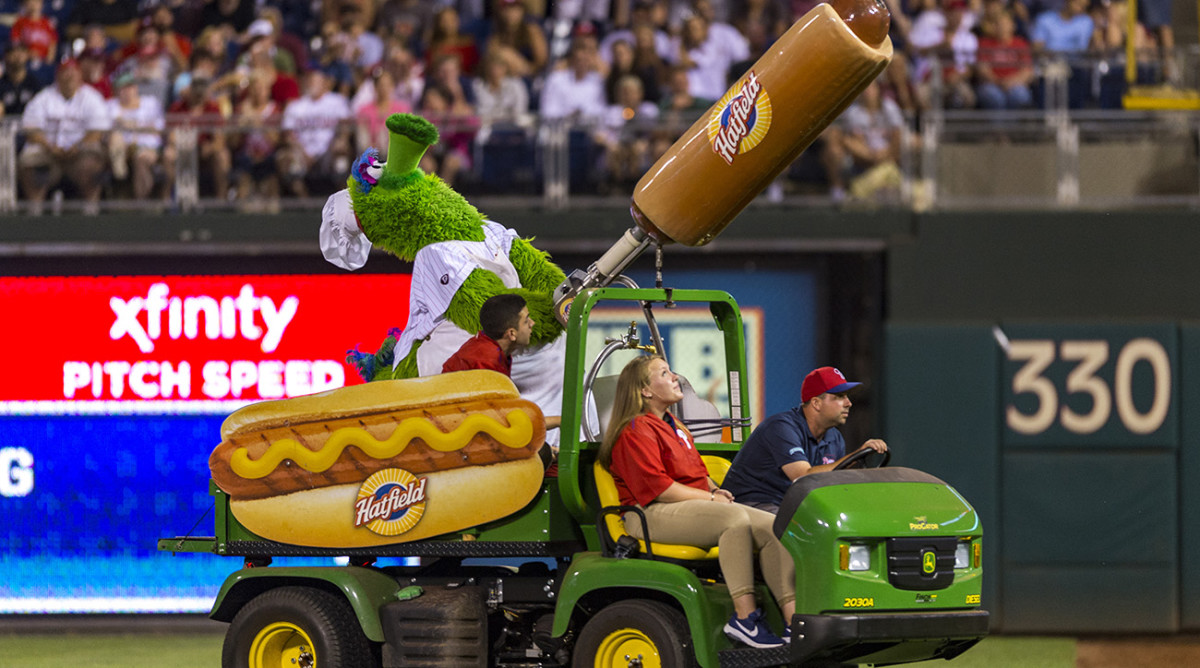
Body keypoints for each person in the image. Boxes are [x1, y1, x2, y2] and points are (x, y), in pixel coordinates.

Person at [599, 354, 796, 649]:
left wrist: (715, 489)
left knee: (773, 526)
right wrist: (711, 497)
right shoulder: (635, 430)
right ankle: (745, 619)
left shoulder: (674, 424)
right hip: (649, 514)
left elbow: (695, 473)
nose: (675, 377)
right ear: (645, 390)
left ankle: (795, 623)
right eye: (664, 373)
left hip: (686, 507)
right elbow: (661, 489)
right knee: (733, 520)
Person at [721, 366, 888, 513]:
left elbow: (832, 487)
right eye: (839, 396)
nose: (848, 403)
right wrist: (856, 454)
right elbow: (802, 477)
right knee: (799, 530)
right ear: (816, 403)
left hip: (790, 507)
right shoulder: (781, 427)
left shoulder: (834, 437)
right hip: (750, 504)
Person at [18, 59, 111, 216]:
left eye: (73, 73)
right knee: (29, 161)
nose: (69, 77)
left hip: (80, 153)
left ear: (80, 76)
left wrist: (78, 147)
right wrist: (49, 146)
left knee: (94, 161)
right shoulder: (44, 97)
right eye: (65, 73)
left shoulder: (91, 97)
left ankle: (91, 211)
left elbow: (98, 131)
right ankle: (34, 212)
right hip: (48, 151)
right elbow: (31, 130)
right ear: (57, 77)